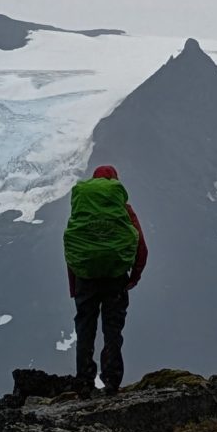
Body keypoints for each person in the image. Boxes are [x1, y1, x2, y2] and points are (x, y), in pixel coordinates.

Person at [63, 164, 148, 398]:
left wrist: (75, 285)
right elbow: (141, 246)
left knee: (85, 329)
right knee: (112, 330)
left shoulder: (82, 212)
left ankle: (84, 383)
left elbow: (73, 249)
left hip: (85, 279)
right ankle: (111, 382)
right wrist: (133, 277)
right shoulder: (123, 210)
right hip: (115, 277)